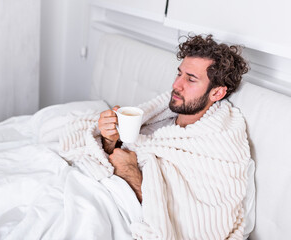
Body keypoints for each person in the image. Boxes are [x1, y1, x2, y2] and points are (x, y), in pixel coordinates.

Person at [97, 34, 253, 239]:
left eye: (191, 79)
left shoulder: (219, 145)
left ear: (217, 93)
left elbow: (199, 225)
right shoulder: (158, 120)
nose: (176, 85)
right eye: (179, 74)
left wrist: (130, 173)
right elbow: (115, 153)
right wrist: (108, 138)